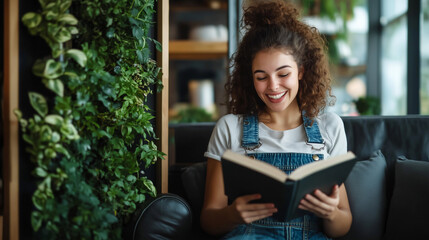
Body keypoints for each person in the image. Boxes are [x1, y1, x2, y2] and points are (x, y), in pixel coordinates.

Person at [200, 1, 352, 239]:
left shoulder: (329, 127)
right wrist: (232, 215)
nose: (273, 86)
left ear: (301, 71)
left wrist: (331, 213)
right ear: (250, 77)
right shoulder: (229, 128)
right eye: (261, 77)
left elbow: (343, 225)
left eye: (283, 74)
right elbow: (209, 220)